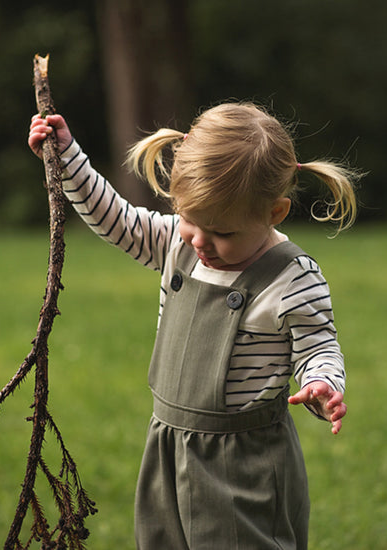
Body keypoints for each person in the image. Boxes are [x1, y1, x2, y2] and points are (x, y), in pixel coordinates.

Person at [28, 102, 358, 550]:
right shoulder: (175, 245)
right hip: (167, 444)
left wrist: (322, 382)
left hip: (244, 462)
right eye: (188, 220)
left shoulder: (292, 277)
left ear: (275, 213)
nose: (200, 241)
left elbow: (319, 346)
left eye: (221, 232)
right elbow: (116, 218)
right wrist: (66, 159)